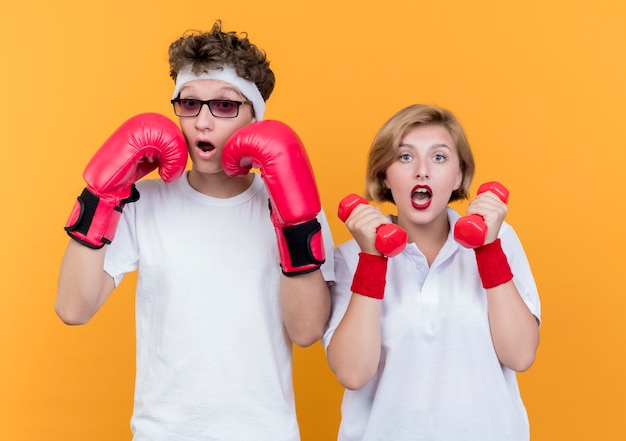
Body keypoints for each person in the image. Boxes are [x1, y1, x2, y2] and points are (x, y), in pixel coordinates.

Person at [57, 21, 334, 441]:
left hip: (265, 432)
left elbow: (308, 331)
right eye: (189, 104)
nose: (203, 122)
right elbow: (73, 309)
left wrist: (294, 223)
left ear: (255, 117)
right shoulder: (143, 201)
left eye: (224, 106)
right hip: (163, 432)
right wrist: (102, 196)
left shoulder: (291, 207)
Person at [323, 104, 540, 441]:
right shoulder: (351, 257)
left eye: (439, 157)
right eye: (405, 157)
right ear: (384, 176)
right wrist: (372, 259)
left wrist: (488, 249)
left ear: (458, 176)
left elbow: (521, 354)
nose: (422, 171)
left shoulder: (500, 239)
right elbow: (353, 373)